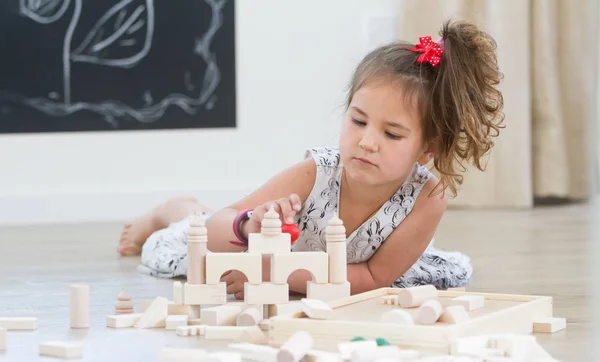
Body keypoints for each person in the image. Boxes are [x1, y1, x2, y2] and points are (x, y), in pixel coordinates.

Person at [118, 19, 504, 299]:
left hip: (311, 271)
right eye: (358, 120)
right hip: (268, 251)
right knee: (196, 233)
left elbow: (372, 278)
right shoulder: (315, 173)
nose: (367, 142)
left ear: (427, 148)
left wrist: (275, 276)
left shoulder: (428, 198)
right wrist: (249, 228)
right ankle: (172, 209)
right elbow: (220, 229)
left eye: (391, 133)